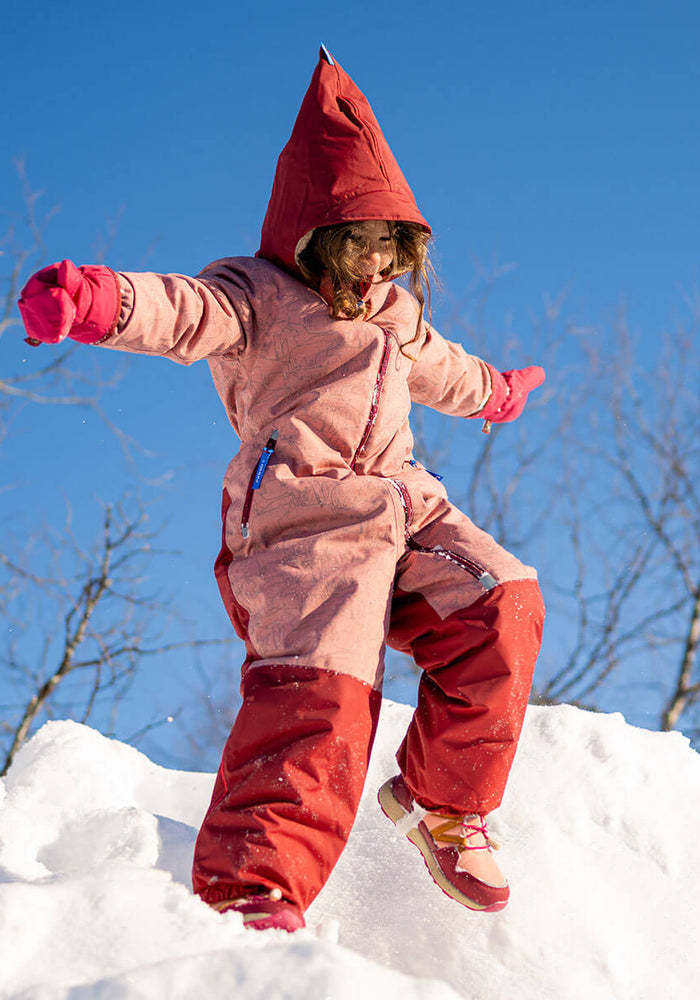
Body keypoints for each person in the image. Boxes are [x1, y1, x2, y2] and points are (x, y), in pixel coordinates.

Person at [17, 47, 545, 932]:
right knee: (323, 696)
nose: (377, 270)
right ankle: (250, 893)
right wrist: (98, 300)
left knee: (503, 600)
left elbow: (447, 370)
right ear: (314, 234)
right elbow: (181, 309)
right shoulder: (256, 294)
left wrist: (497, 393)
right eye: (360, 246)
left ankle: (441, 801)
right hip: (308, 523)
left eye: (393, 251)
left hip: (404, 505)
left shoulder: (398, 317)